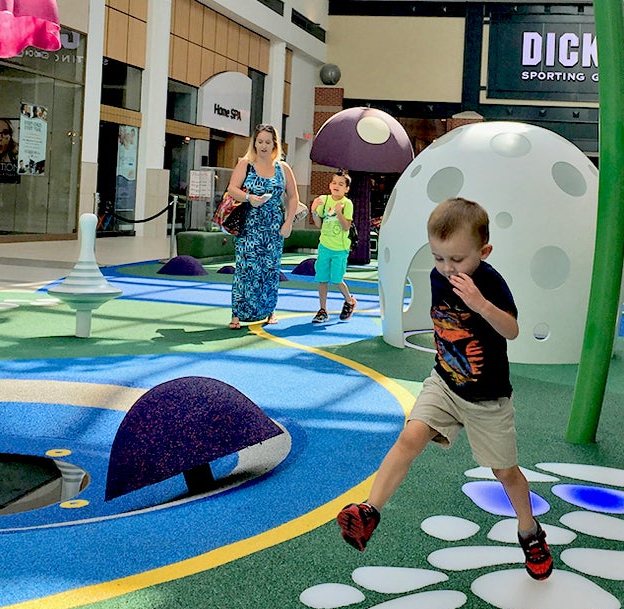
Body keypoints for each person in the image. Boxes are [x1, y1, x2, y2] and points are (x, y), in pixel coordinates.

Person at [336, 197, 554, 581]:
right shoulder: (438, 276)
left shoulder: (489, 282)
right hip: (445, 381)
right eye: (438, 258)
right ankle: (371, 510)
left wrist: (480, 304)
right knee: (410, 437)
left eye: (456, 259)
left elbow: (512, 330)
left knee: (505, 472)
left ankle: (529, 531)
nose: (446, 268)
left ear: (483, 251)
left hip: (487, 397)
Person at [226, 123, 300, 328]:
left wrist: (288, 223)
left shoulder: (283, 168)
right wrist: (249, 197)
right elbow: (232, 189)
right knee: (245, 268)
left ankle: (270, 311)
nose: (264, 146)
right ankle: (237, 314)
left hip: (274, 228)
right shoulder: (246, 164)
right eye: (260, 141)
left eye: (268, 142)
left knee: (270, 269)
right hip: (249, 226)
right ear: (254, 143)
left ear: (274, 144)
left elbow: (293, 197)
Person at [311, 170, 357, 323]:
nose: (336, 186)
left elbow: (346, 227)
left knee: (337, 279)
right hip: (324, 246)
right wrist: (314, 211)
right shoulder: (323, 200)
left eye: (341, 184)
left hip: (340, 249)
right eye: (334, 183)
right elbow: (319, 224)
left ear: (346, 189)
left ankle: (349, 301)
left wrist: (339, 213)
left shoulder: (347, 203)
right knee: (322, 279)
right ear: (330, 185)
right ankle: (322, 310)